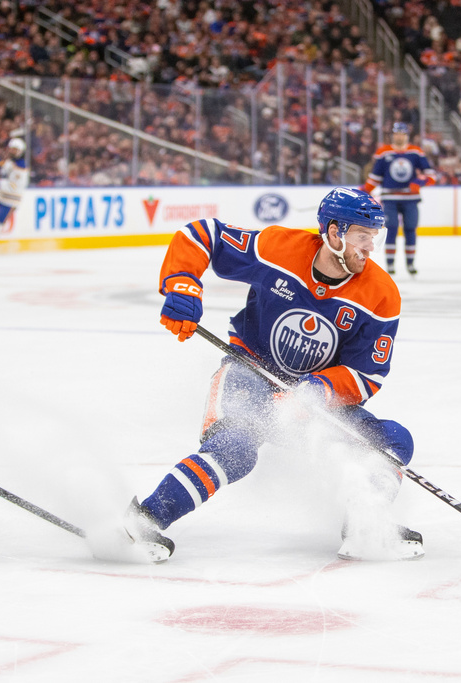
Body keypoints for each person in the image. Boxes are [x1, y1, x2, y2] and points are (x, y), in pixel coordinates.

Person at [121, 187, 423, 563]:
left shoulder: (381, 294)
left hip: (309, 401)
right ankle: (145, 519)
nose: (370, 248)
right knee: (235, 448)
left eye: (373, 238)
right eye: (362, 237)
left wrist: (315, 391)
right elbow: (202, 235)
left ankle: (365, 525)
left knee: (392, 441)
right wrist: (182, 283)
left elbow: (367, 375)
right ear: (334, 232)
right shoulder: (279, 249)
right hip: (249, 371)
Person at [360, 122, 436, 276]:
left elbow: (431, 175)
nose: (399, 136)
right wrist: (364, 190)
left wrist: (419, 182)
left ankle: (410, 263)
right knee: (391, 228)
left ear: (406, 135)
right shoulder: (383, 152)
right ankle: (390, 264)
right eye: (396, 133)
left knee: (410, 229)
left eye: (402, 133)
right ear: (392, 135)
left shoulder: (416, 152)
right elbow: (375, 177)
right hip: (390, 198)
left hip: (411, 199)